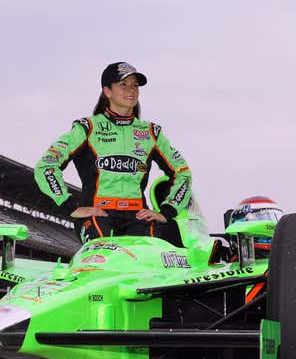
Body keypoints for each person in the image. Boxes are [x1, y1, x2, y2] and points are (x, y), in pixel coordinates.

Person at [34, 62, 192, 243]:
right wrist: (69, 206)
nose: (131, 90)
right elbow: (47, 165)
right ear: (107, 91)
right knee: (106, 258)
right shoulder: (87, 128)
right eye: (123, 84)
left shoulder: (151, 133)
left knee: (152, 260)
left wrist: (167, 211)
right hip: (98, 216)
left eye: (135, 85)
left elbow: (183, 172)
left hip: (139, 217)